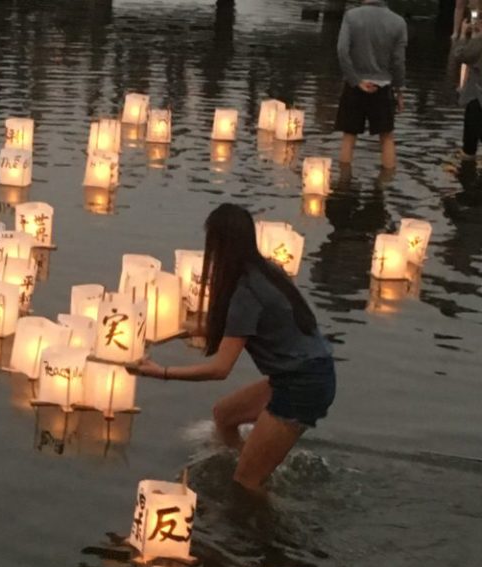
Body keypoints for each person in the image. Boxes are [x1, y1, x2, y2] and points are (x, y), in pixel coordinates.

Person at [128, 204, 336, 492]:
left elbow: (220, 368)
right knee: (224, 416)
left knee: (246, 482)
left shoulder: (246, 293)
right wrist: (173, 329)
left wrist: (160, 372)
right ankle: (257, 459)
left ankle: (263, 514)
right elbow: (235, 326)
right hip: (303, 371)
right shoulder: (264, 271)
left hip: (304, 384)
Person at [335, 0, 408, 169]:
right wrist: (399, 90)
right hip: (383, 86)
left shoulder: (351, 16)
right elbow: (398, 62)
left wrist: (355, 80)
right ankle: (386, 184)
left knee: (349, 136)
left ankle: (344, 185)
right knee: (387, 138)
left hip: (355, 86)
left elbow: (341, 51)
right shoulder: (398, 22)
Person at [454, 19, 482, 158]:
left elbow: (460, 55)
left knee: (469, 146)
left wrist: (464, 35)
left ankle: (466, 172)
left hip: (476, 97)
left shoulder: (479, 42)